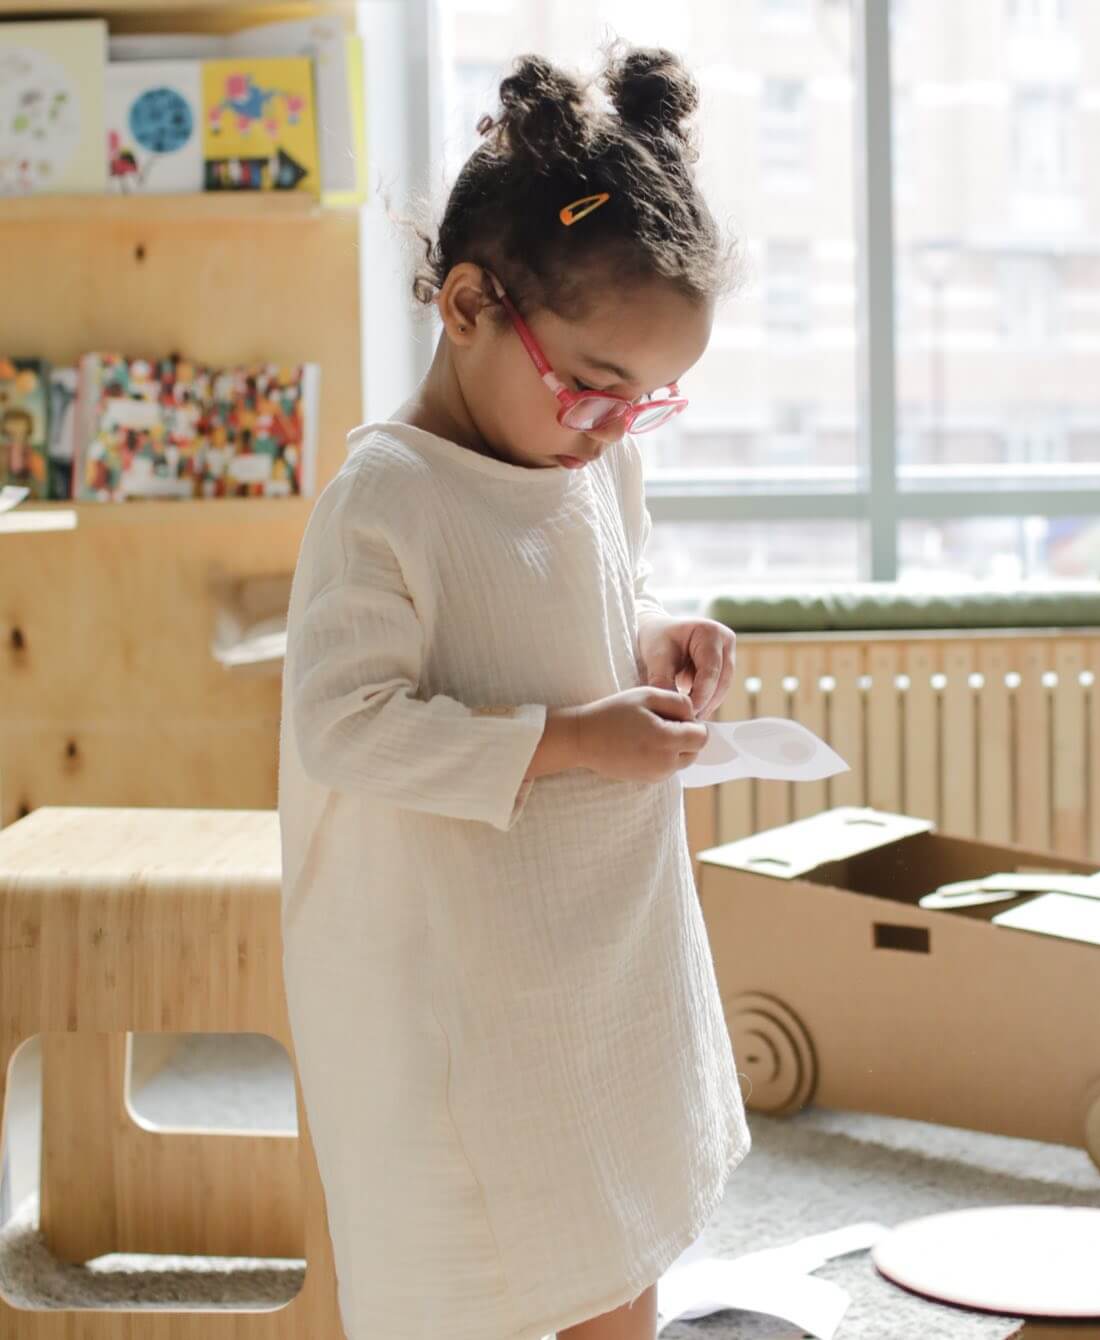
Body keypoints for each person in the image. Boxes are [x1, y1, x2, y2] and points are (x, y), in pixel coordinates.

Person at [277, 45, 751, 1340]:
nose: (611, 425)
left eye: (645, 402)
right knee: (480, 1247)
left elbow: (586, 605)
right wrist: (573, 741)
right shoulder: (389, 499)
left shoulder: (590, 463)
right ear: (469, 304)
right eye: (593, 386)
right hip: (463, 972)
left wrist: (656, 638)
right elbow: (342, 728)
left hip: (605, 939)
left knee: (621, 1200)